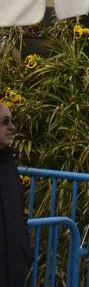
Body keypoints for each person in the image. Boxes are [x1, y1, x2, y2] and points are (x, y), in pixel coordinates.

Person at [0, 102, 30, 287]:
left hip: (13, 271)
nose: (12, 127)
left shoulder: (9, 164)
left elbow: (19, 212)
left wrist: (24, 253)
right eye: (4, 121)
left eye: (11, 121)